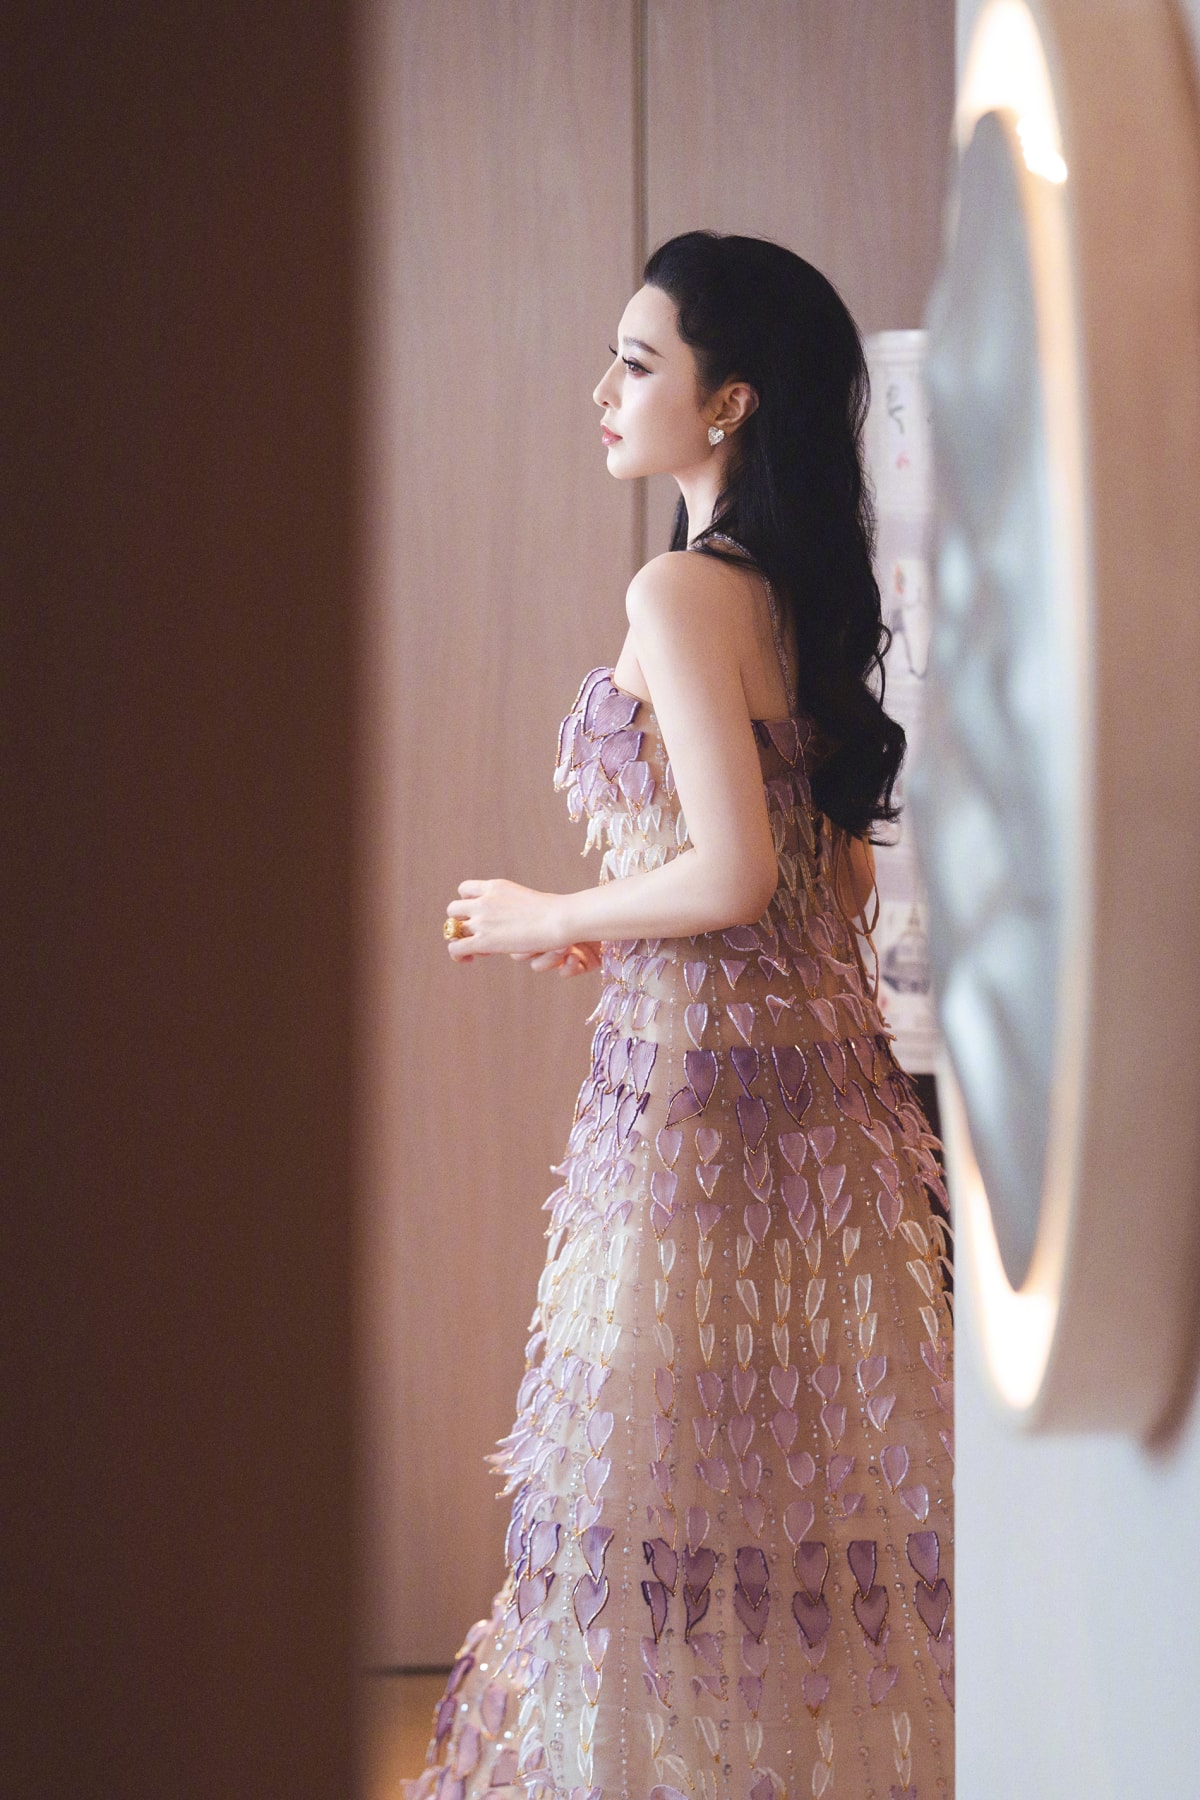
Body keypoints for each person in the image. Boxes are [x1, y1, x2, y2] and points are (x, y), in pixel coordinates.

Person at [415, 231, 954, 1800]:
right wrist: (641, 935)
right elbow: (829, 882)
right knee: (801, 1484)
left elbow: (734, 873)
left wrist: (557, 914)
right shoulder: (792, 594)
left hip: (701, 1112)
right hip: (831, 1108)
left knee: (658, 1483)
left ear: (731, 401)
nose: (603, 388)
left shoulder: (676, 590)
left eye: (638, 362)